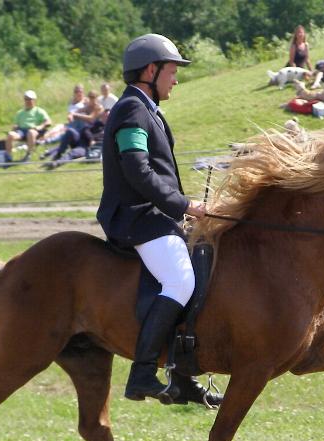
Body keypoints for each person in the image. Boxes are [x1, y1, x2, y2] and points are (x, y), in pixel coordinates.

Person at [97, 33, 222, 407]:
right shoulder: (132, 111)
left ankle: (182, 377)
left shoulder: (145, 108)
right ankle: (141, 373)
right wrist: (184, 205)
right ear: (151, 70)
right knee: (181, 279)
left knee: (202, 269)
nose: (176, 79)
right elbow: (137, 170)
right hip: (138, 219)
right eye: (172, 71)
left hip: (155, 216)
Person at [5, 90, 52, 162]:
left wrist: (41, 126)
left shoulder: (39, 111)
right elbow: (16, 125)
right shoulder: (20, 113)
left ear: (34, 100)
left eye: (30, 99)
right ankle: (8, 157)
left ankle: (28, 155)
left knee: (31, 132)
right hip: (21, 131)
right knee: (10, 135)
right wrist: (14, 129)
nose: (28, 101)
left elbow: (48, 121)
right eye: (26, 99)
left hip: (34, 130)